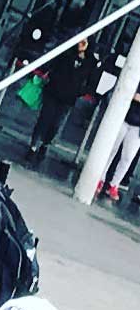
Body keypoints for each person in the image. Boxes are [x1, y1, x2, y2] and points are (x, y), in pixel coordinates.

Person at [27, 35, 94, 164]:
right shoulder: (67, 53)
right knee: (44, 119)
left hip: (68, 98)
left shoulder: (89, 62)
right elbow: (53, 65)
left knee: (56, 124)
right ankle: (33, 146)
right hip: (54, 91)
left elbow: (90, 81)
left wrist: (80, 91)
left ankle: (45, 144)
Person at [96, 83, 140, 205]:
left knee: (128, 157)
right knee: (111, 149)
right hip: (124, 118)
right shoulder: (136, 76)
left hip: (136, 127)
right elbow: (128, 91)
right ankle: (100, 178)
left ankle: (114, 184)